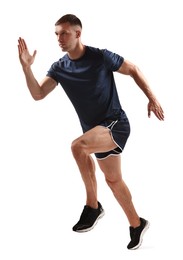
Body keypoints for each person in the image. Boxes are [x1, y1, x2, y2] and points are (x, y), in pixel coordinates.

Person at [18, 14, 164, 250]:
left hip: (115, 124)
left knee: (78, 146)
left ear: (78, 33)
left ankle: (92, 207)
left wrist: (152, 98)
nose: (59, 38)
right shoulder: (60, 67)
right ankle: (137, 224)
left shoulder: (100, 56)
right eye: (56, 34)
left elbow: (133, 69)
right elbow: (38, 94)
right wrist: (26, 69)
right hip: (95, 132)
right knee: (113, 180)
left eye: (64, 33)